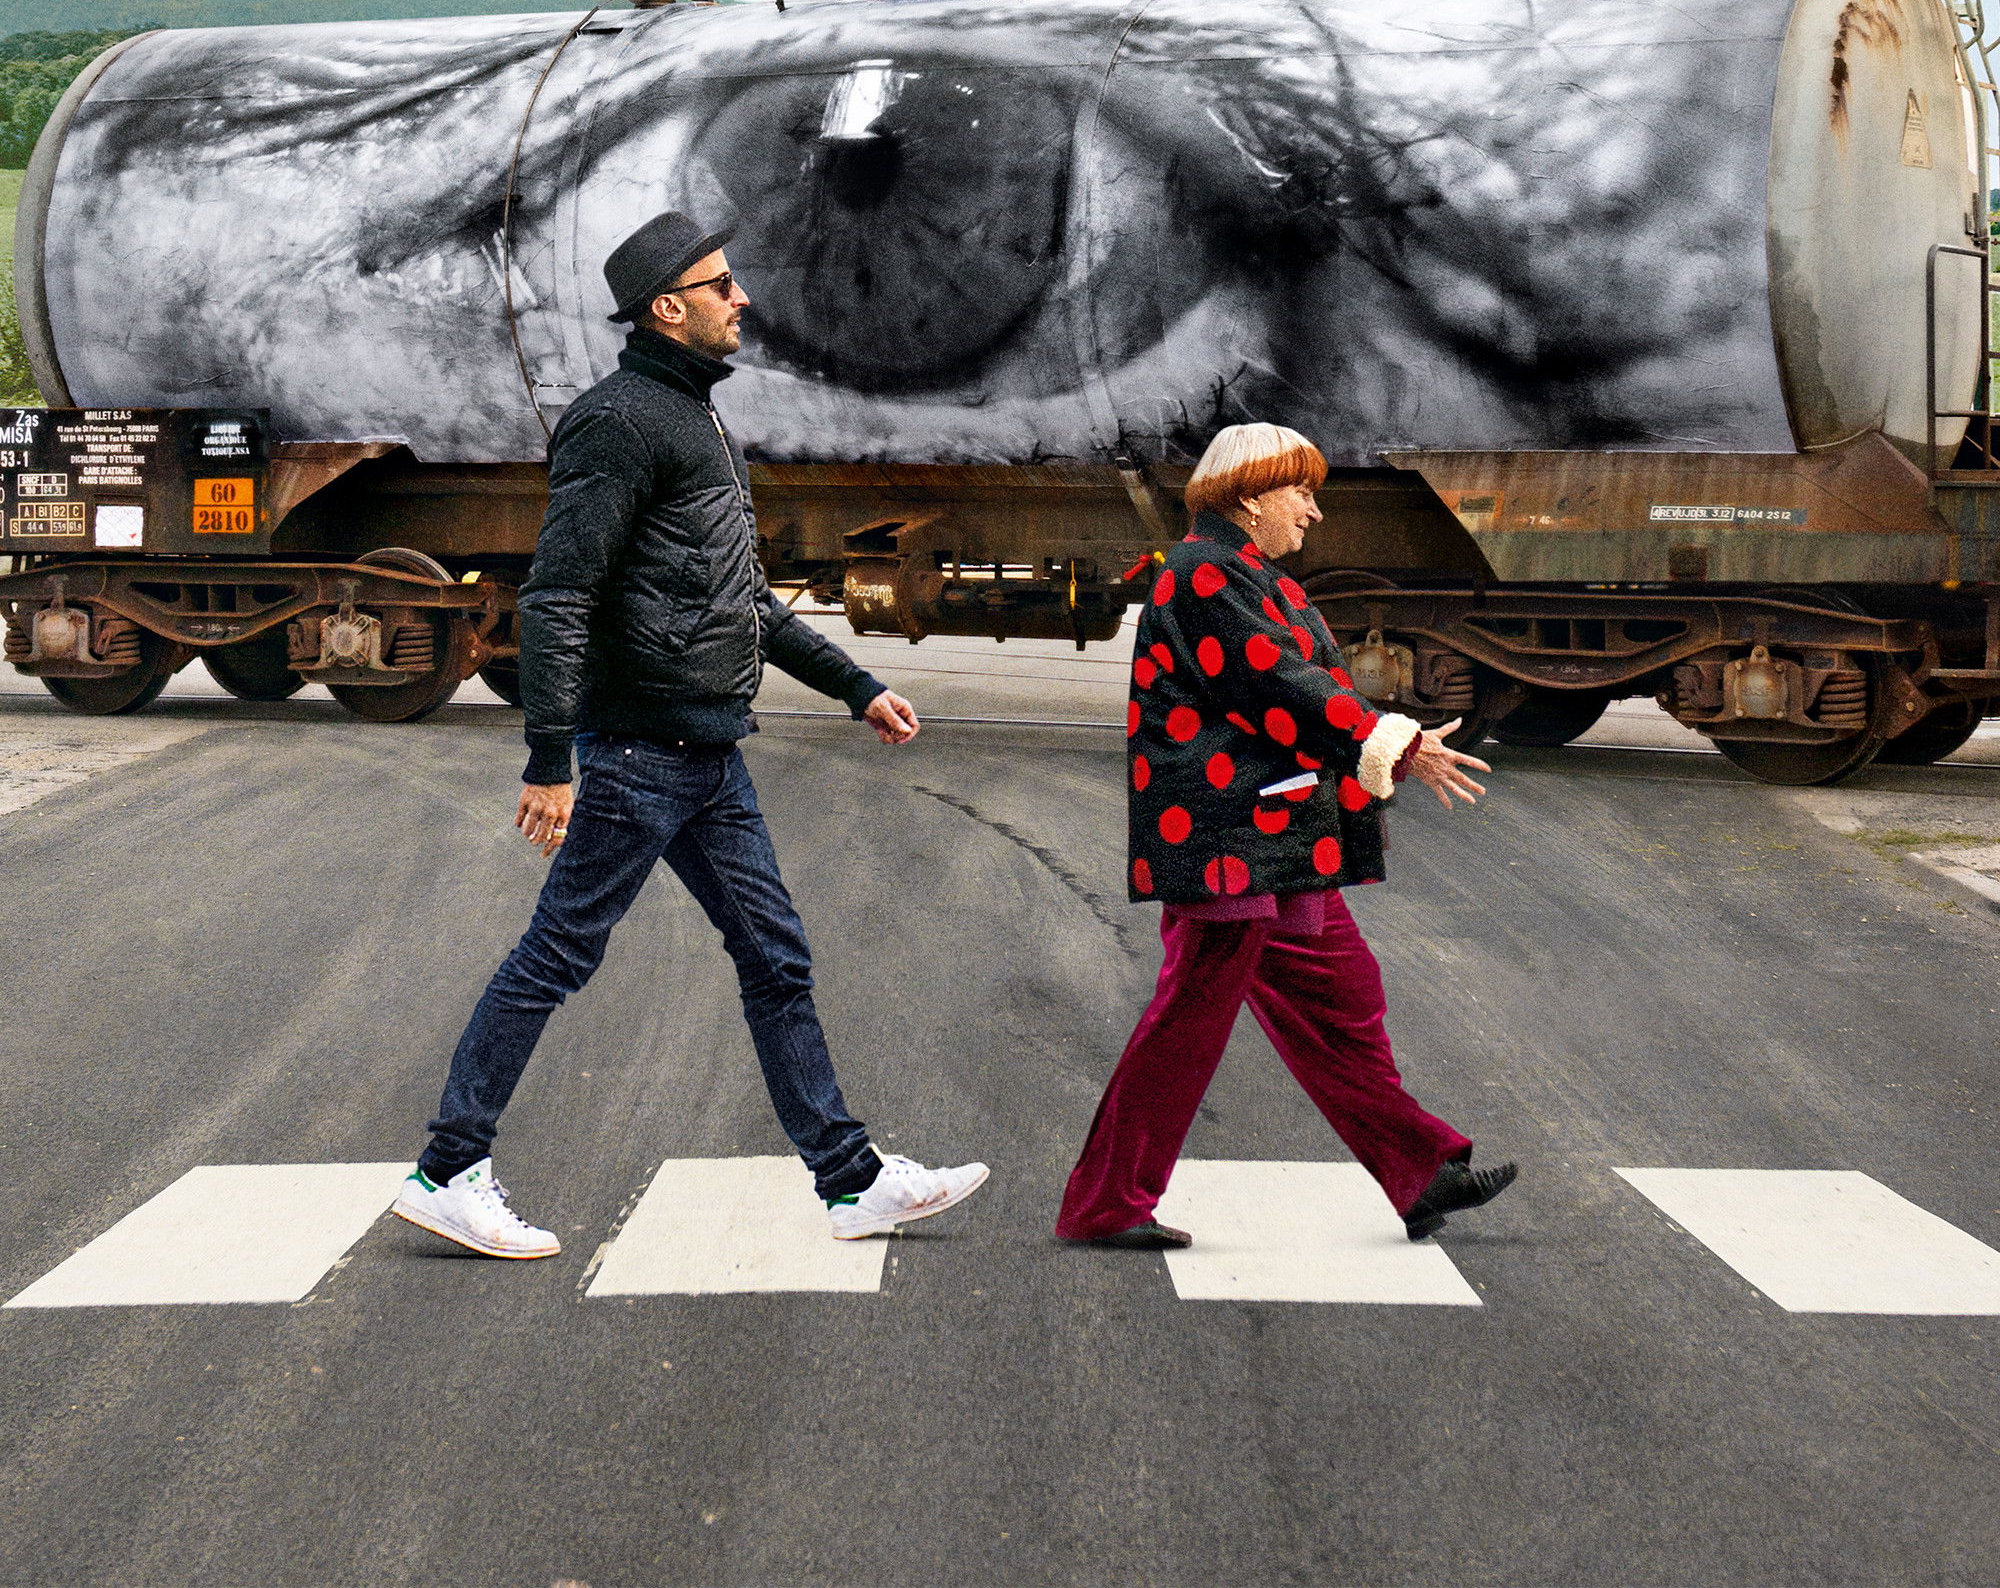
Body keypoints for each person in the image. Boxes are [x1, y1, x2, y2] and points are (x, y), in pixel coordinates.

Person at [394, 208, 987, 1260]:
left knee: (774, 956)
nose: (740, 297)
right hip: (639, 753)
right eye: (720, 285)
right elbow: (560, 594)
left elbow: (742, 601)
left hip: (706, 753)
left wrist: (857, 687)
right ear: (667, 307)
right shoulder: (619, 422)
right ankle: (448, 1170)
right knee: (557, 955)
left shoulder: (696, 418)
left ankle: (850, 1182)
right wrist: (550, 760)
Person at [1057, 421, 1517, 1251]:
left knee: (1344, 994)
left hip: (1276, 841)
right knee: (1187, 1024)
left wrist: (1379, 742)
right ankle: (1106, 1205)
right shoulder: (1202, 574)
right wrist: (1394, 743)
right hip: (1231, 845)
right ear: (1248, 498)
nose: (1313, 511)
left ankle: (1419, 1169)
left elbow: (1295, 683)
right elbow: (1278, 685)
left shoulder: (1243, 571)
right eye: (1299, 492)